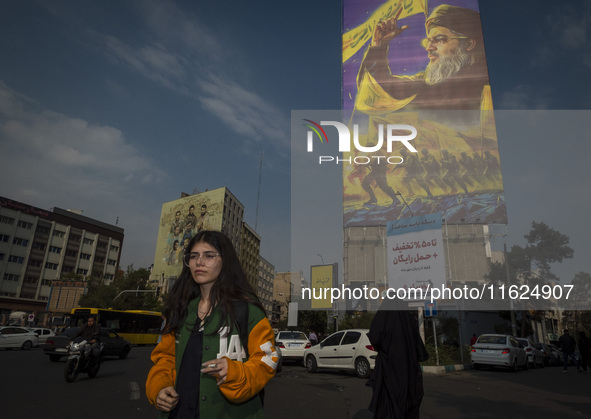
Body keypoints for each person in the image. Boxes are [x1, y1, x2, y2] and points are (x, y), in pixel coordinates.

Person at [146, 230, 277, 418]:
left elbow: (267, 359)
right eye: (194, 256)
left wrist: (235, 372)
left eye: (209, 256)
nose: (199, 262)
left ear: (225, 261)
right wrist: (159, 387)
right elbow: (164, 358)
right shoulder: (177, 311)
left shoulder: (248, 311)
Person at [358, 4, 490, 112]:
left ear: (468, 44)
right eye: (429, 41)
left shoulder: (488, 85)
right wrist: (378, 46)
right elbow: (379, 90)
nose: (429, 47)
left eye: (439, 39)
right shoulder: (426, 84)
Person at [367, 299, 428, 419]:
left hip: (388, 370)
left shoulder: (384, 318)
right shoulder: (408, 320)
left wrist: (384, 348)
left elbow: (374, 337)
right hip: (409, 372)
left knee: (388, 404)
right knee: (407, 403)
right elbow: (420, 351)